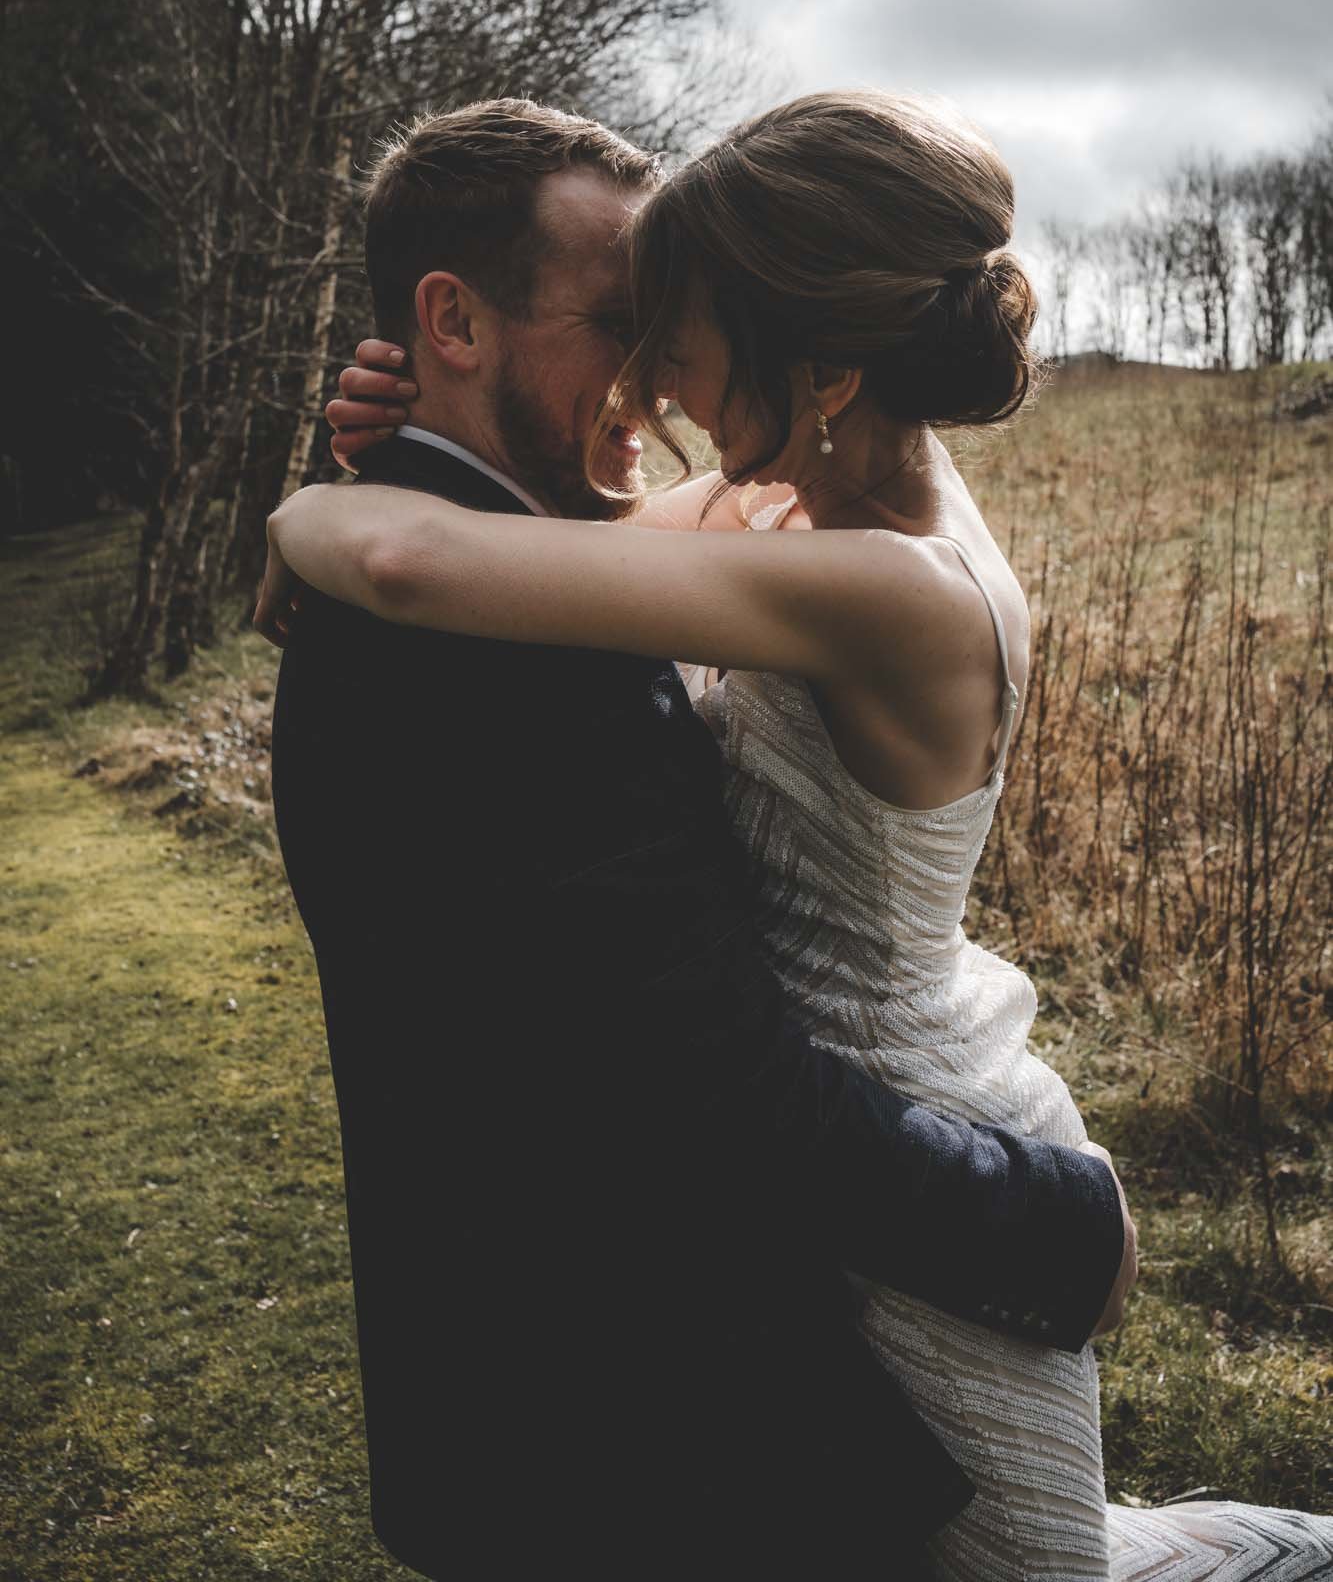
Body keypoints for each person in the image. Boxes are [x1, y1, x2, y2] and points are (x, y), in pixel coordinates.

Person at [263, 93, 1333, 1580]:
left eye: (675, 335)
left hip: (900, 1128)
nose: (649, 380)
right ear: (455, 318)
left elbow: (413, 555)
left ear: (812, 361)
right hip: (732, 1258)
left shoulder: (855, 568)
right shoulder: (744, 524)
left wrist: (309, 515)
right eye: (625, 323)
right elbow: (486, 552)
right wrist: (380, 469)